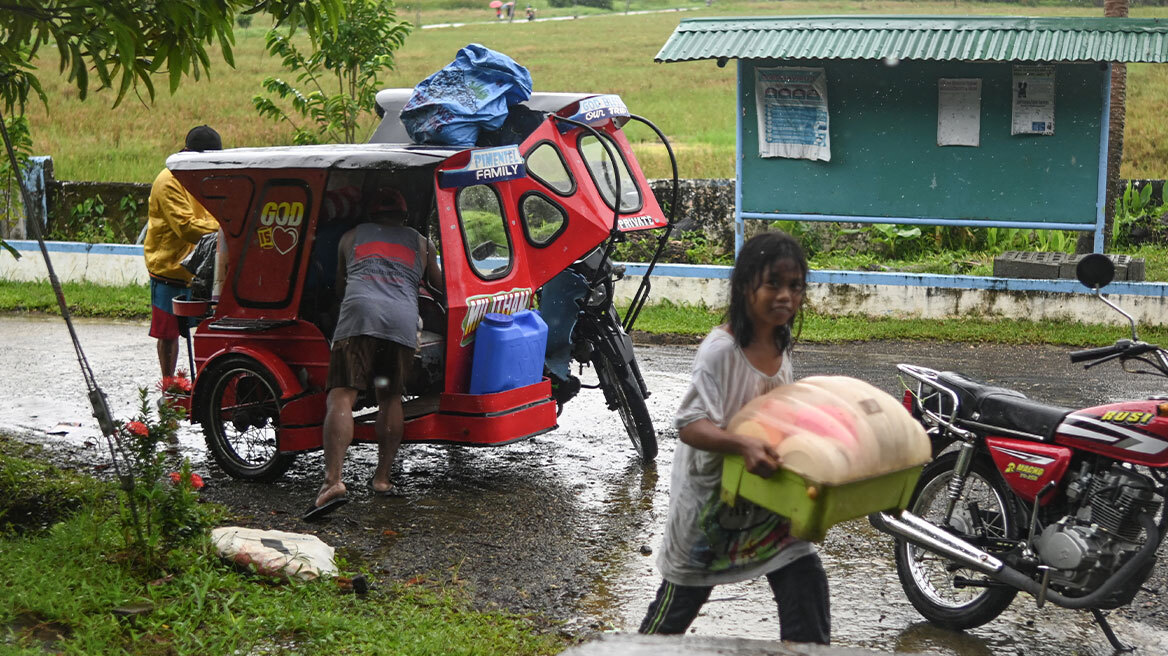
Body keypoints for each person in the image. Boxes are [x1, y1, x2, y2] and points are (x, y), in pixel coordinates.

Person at [638, 231, 830, 644]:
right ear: (745, 286)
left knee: (805, 580)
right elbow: (690, 423)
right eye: (773, 284)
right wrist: (743, 443)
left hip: (766, 499)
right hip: (710, 507)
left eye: (795, 286)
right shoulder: (720, 351)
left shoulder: (780, 340)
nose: (786, 296)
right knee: (676, 608)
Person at [305, 183, 444, 521]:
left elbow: (341, 287)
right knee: (390, 397)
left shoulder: (351, 237)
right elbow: (439, 287)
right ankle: (382, 478)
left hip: (358, 318)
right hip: (400, 323)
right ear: (404, 215)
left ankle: (333, 482)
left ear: (370, 214)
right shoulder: (422, 243)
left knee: (342, 396)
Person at [143, 125, 222, 377]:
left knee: (208, 329)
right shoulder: (168, 181)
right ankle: (168, 384)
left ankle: (205, 382)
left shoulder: (204, 177)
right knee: (168, 334)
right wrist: (229, 229)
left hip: (201, 268)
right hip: (170, 268)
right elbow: (186, 227)